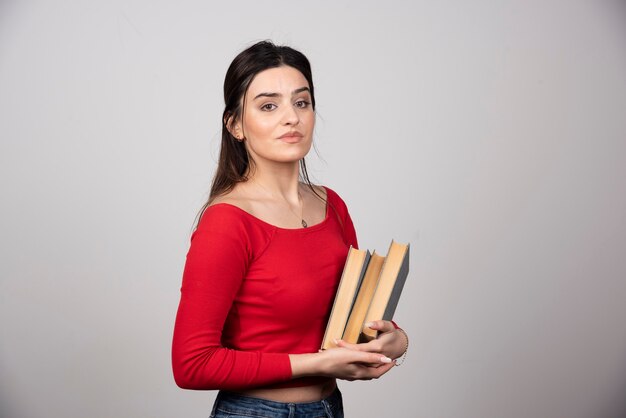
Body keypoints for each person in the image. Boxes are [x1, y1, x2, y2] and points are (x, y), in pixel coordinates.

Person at [172, 40, 409, 418]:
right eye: (269, 106)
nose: (292, 117)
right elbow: (192, 364)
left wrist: (393, 339)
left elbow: (347, 315)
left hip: (330, 408)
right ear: (235, 125)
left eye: (302, 102)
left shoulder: (332, 206)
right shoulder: (227, 222)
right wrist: (318, 364)